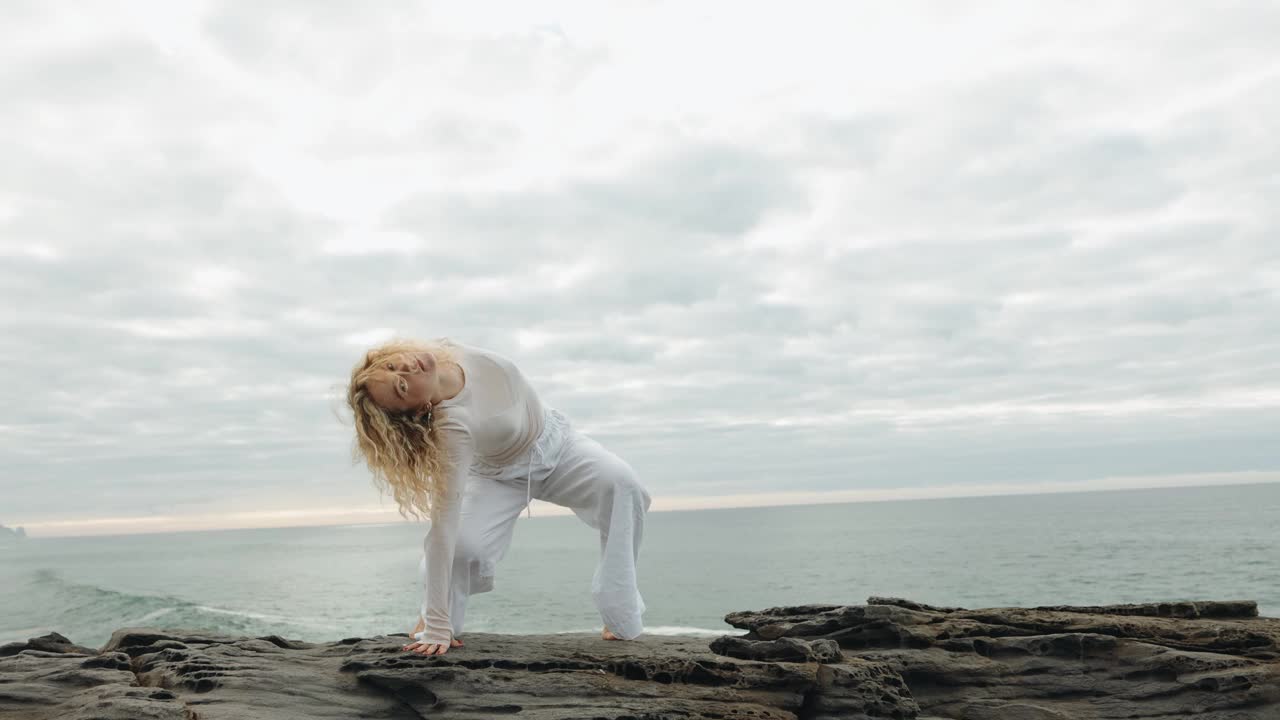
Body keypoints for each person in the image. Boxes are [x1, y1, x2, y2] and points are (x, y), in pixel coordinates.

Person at [346, 336, 653, 656]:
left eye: (394, 365)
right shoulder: (453, 427)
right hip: (499, 477)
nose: (407, 370)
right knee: (464, 550)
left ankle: (620, 611)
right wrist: (436, 624)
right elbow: (443, 526)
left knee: (625, 487)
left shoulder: (452, 350)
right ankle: (439, 618)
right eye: (402, 387)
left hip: (560, 447)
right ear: (419, 408)